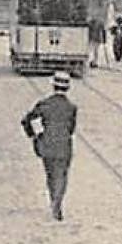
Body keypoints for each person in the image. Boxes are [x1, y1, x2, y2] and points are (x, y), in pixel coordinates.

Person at [22, 71, 78, 220]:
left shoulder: (44, 104)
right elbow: (72, 129)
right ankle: (57, 201)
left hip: (46, 145)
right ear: (68, 88)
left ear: (53, 86)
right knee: (62, 175)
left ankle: (54, 199)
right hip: (64, 146)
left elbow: (27, 120)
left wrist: (35, 135)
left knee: (51, 174)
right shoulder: (71, 107)